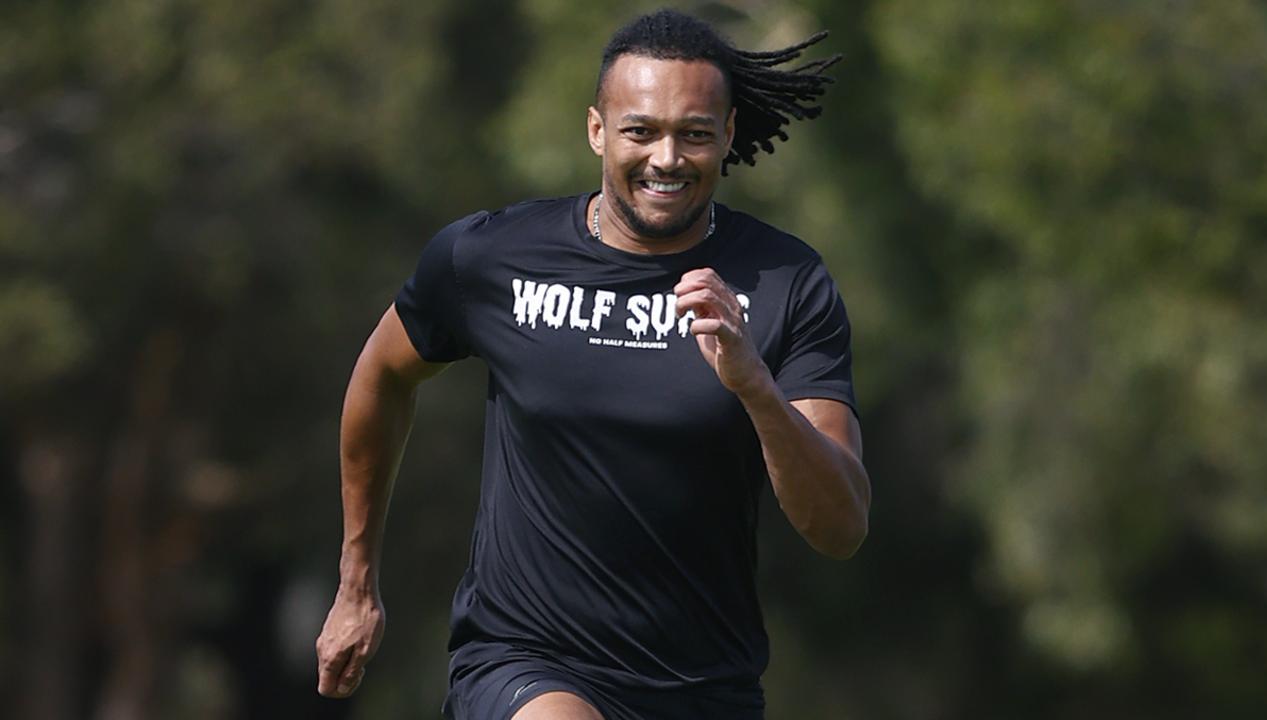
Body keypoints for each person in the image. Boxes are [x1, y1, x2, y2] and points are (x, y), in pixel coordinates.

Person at [315, 8, 870, 719]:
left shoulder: (785, 283)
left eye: (694, 134)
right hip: (524, 659)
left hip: (704, 687)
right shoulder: (491, 258)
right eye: (641, 130)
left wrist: (755, 387)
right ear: (596, 131)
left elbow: (841, 526)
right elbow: (383, 374)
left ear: (727, 136)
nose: (667, 159)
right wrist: (356, 579)